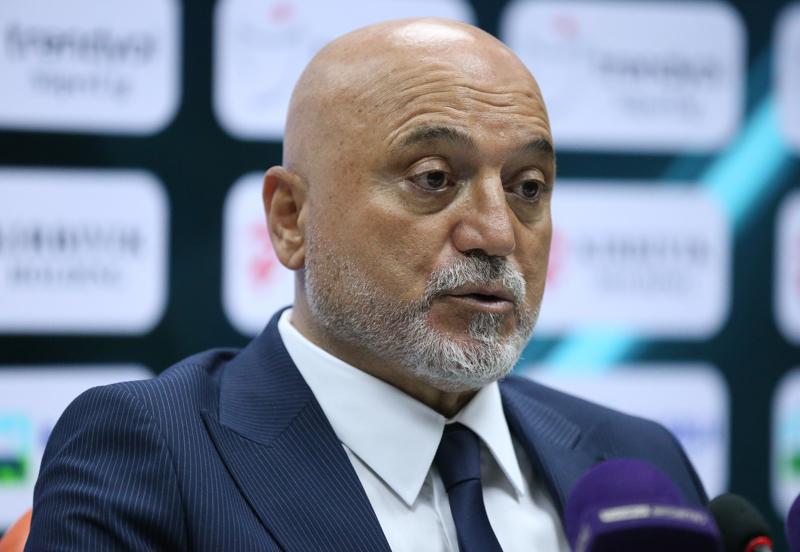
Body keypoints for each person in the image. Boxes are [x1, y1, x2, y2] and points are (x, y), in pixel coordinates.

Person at [25, 18, 707, 552]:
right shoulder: (149, 454)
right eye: (433, 178)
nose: (498, 233)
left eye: (528, 187)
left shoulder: (638, 459)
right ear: (290, 218)